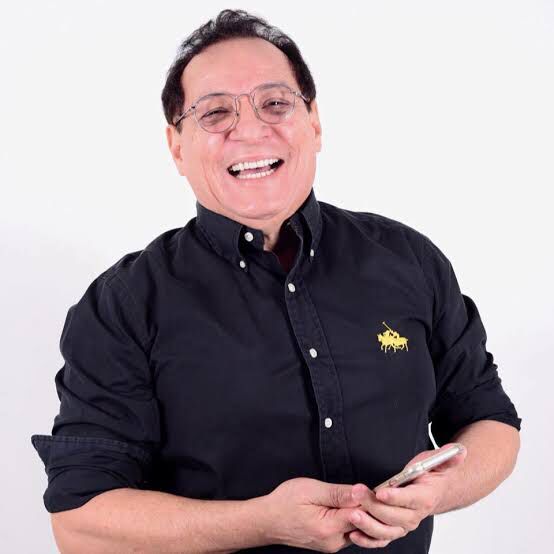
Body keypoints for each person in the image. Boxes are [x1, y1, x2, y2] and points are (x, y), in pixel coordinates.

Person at [31, 9, 522, 554]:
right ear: (177, 147)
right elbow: (79, 524)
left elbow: (491, 423)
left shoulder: (408, 259)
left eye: (275, 103)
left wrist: (440, 491)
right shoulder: (125, 304)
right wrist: (260, 522)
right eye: (215, 112)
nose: (249, 129)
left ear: (314, 123)